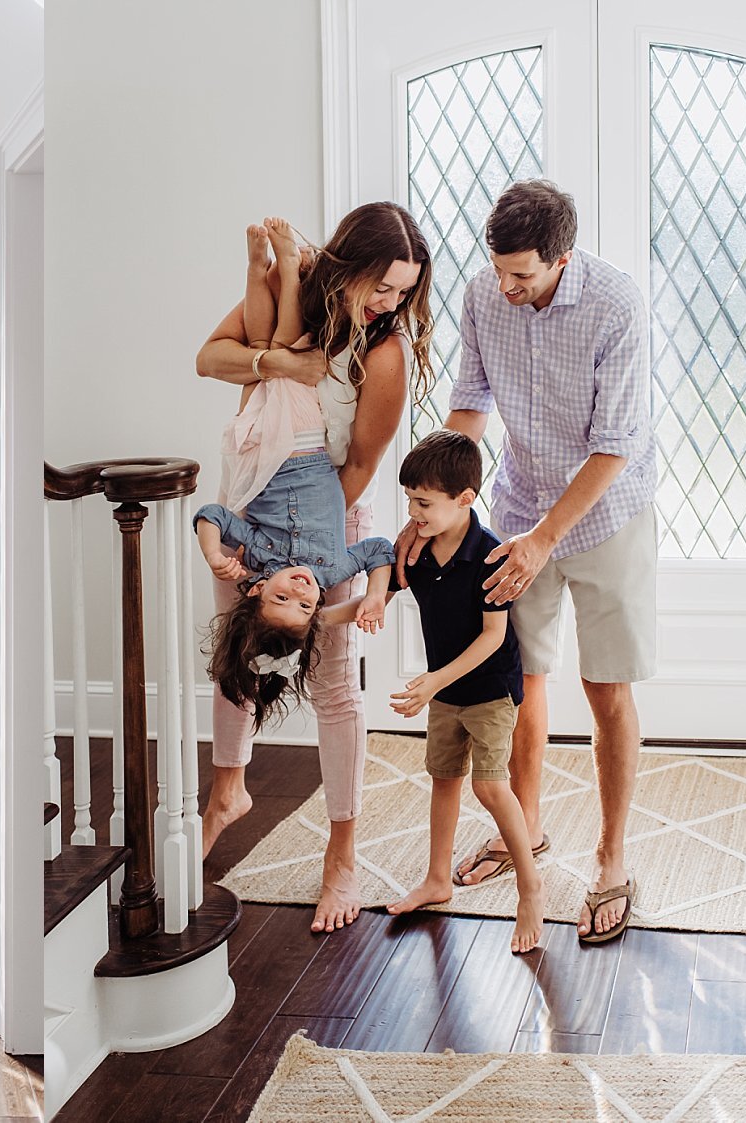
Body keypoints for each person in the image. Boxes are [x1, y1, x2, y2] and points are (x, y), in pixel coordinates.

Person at [398, 179, 656, 945]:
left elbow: (615, 444)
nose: (504, 287)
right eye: (498, 269)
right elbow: (469, 407)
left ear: (562, 258)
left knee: (605, 686)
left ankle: (610, 858)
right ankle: (528, 827)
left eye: (522, 275)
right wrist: (441, 507)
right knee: (519, 677)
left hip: (606, 512)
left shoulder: (617, 305)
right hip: (514, 503)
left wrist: (547, 537)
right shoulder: (486, 293)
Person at [196, 202, 435, 934]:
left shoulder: (384, 351)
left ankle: (342, 851)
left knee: (334, 686)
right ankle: (226, 790)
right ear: (350, 262)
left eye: (404, 292)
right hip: (249, 499)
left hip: (327, 515)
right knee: (237, 652)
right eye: (383, 285)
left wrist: (309, 544)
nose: (389, 303)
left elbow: (360, 462)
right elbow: (213, 358)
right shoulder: (297, 311)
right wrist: (279, 362)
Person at [195, 217, 394, 728]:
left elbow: (213, 512)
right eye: (304, 606)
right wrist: (376, 593)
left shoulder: (257, 554)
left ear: (258, 589)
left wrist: (215, 552)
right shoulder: (328, 574)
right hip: (299, 444)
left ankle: (277, 266)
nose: (300, 590)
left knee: (283, 350)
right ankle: (260, 266)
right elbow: (377, 551)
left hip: (264, 454)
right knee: (273, 345)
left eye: (282, 596)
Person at [383, 430, 541, 954]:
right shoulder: (419, 550)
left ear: (465, 499)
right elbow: (376, 588)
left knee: (490, 787)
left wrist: (432, 682)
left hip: (490, 688)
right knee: (444, 778)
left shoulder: (491, 555)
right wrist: (321, 615)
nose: (414, 512)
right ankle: (436, 879)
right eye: (410, 499)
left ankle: (529, 889)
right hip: (446, 690)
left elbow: (493, 638)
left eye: (424, 502)